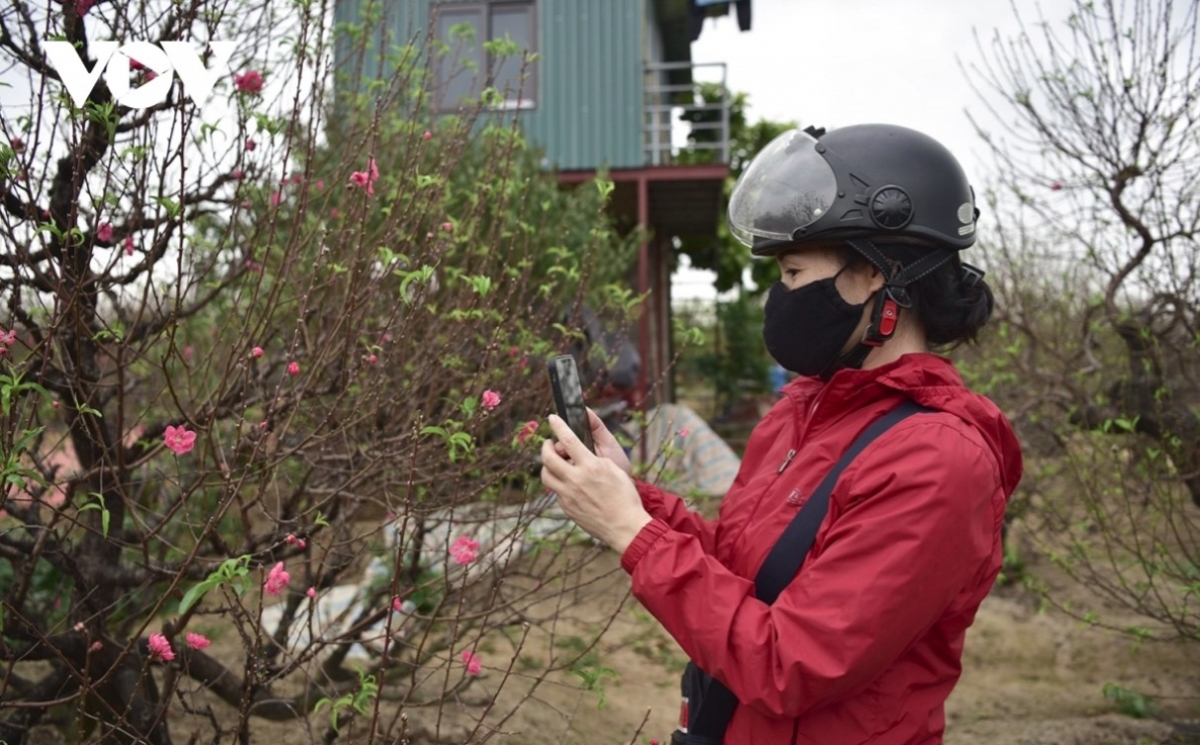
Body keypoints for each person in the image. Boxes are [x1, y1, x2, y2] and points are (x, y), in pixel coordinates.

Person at [540, 123, 1023, 744]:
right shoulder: (802, 414)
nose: (780, 297)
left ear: (877, 272)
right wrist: (630, 496)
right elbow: (747, 577)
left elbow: (788, 662)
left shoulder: (937, 461)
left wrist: (630, 531)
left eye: (793, 274)